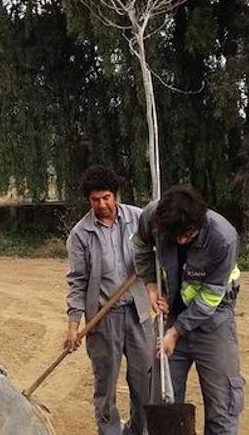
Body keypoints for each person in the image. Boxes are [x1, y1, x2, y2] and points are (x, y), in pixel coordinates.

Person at [132, 186, 245, 435]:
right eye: (175, 237)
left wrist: (176, 332)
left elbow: (209, 298)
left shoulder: (223, 238)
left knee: (222, 405)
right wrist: (151, 286)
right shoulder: (154, 218)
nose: (181, 240)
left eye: (187, 235)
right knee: (163, 401)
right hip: (170, 314)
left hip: (214, 321)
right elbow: (139, 245)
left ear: (199, 221)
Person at [65, 165, 153, 435]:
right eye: (95, 200)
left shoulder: (138, 220)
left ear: (115, 195)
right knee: (106, 385)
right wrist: (73, 324)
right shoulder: (80, 235)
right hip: (103, 319)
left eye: (106, 197)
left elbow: (159, 251)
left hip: (138, 313)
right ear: (88, 201)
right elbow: (78, 282)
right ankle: (110, 431)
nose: (102, 205)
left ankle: (139, 431)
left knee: (144, 382)